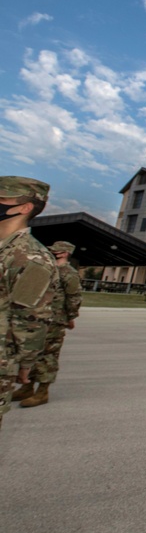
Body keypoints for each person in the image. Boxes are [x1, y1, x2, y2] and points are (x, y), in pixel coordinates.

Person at [0, 176, 58, 434]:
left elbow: (29, 319)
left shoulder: (31, 258)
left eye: (2, 199)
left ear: (25, 208)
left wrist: (24, 364)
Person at [16, 241, 82, 407]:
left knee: (49, 355)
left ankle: (42, 391)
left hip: (55, 320)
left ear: (65, 253)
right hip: (37, 317)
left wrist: (70, 317)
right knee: (32, 352)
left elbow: (73, 297)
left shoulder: (69, 273)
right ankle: (27, 387)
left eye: (57, 251)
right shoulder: (47, 268)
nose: (54, 253)